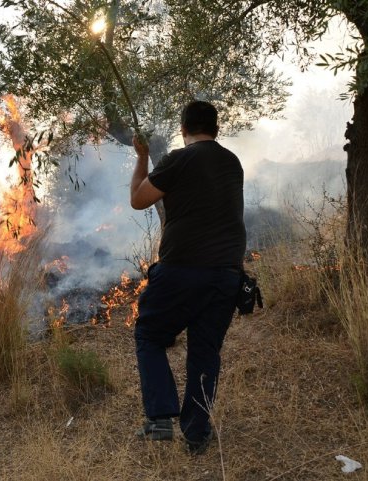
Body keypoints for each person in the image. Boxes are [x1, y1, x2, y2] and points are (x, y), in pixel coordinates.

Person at [129, 100, 246, 455]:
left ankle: (161, 418)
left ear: (183, 129)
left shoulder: (178, 159)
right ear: (216, 129)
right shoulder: (232, 162)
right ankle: (196, 434)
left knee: (149, 334)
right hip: (227, 274)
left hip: (182, 270)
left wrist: (143, 157)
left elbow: (138, 199)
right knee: (205, 351)